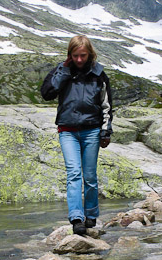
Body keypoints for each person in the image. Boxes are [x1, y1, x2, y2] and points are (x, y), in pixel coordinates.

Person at [41, 35, 113, 235]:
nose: (79, 60)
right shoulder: (61, 70)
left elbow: (107, 105)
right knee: (74, 174)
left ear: (89, 54)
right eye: (75, 56)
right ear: (69, 55)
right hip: (67, 131)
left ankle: (91, 215)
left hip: (92, 130)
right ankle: (76, 218)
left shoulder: (99, 75)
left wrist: (106, 131)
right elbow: (47, 93)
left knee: (90, 176)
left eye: (83, 55)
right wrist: (64, 70)